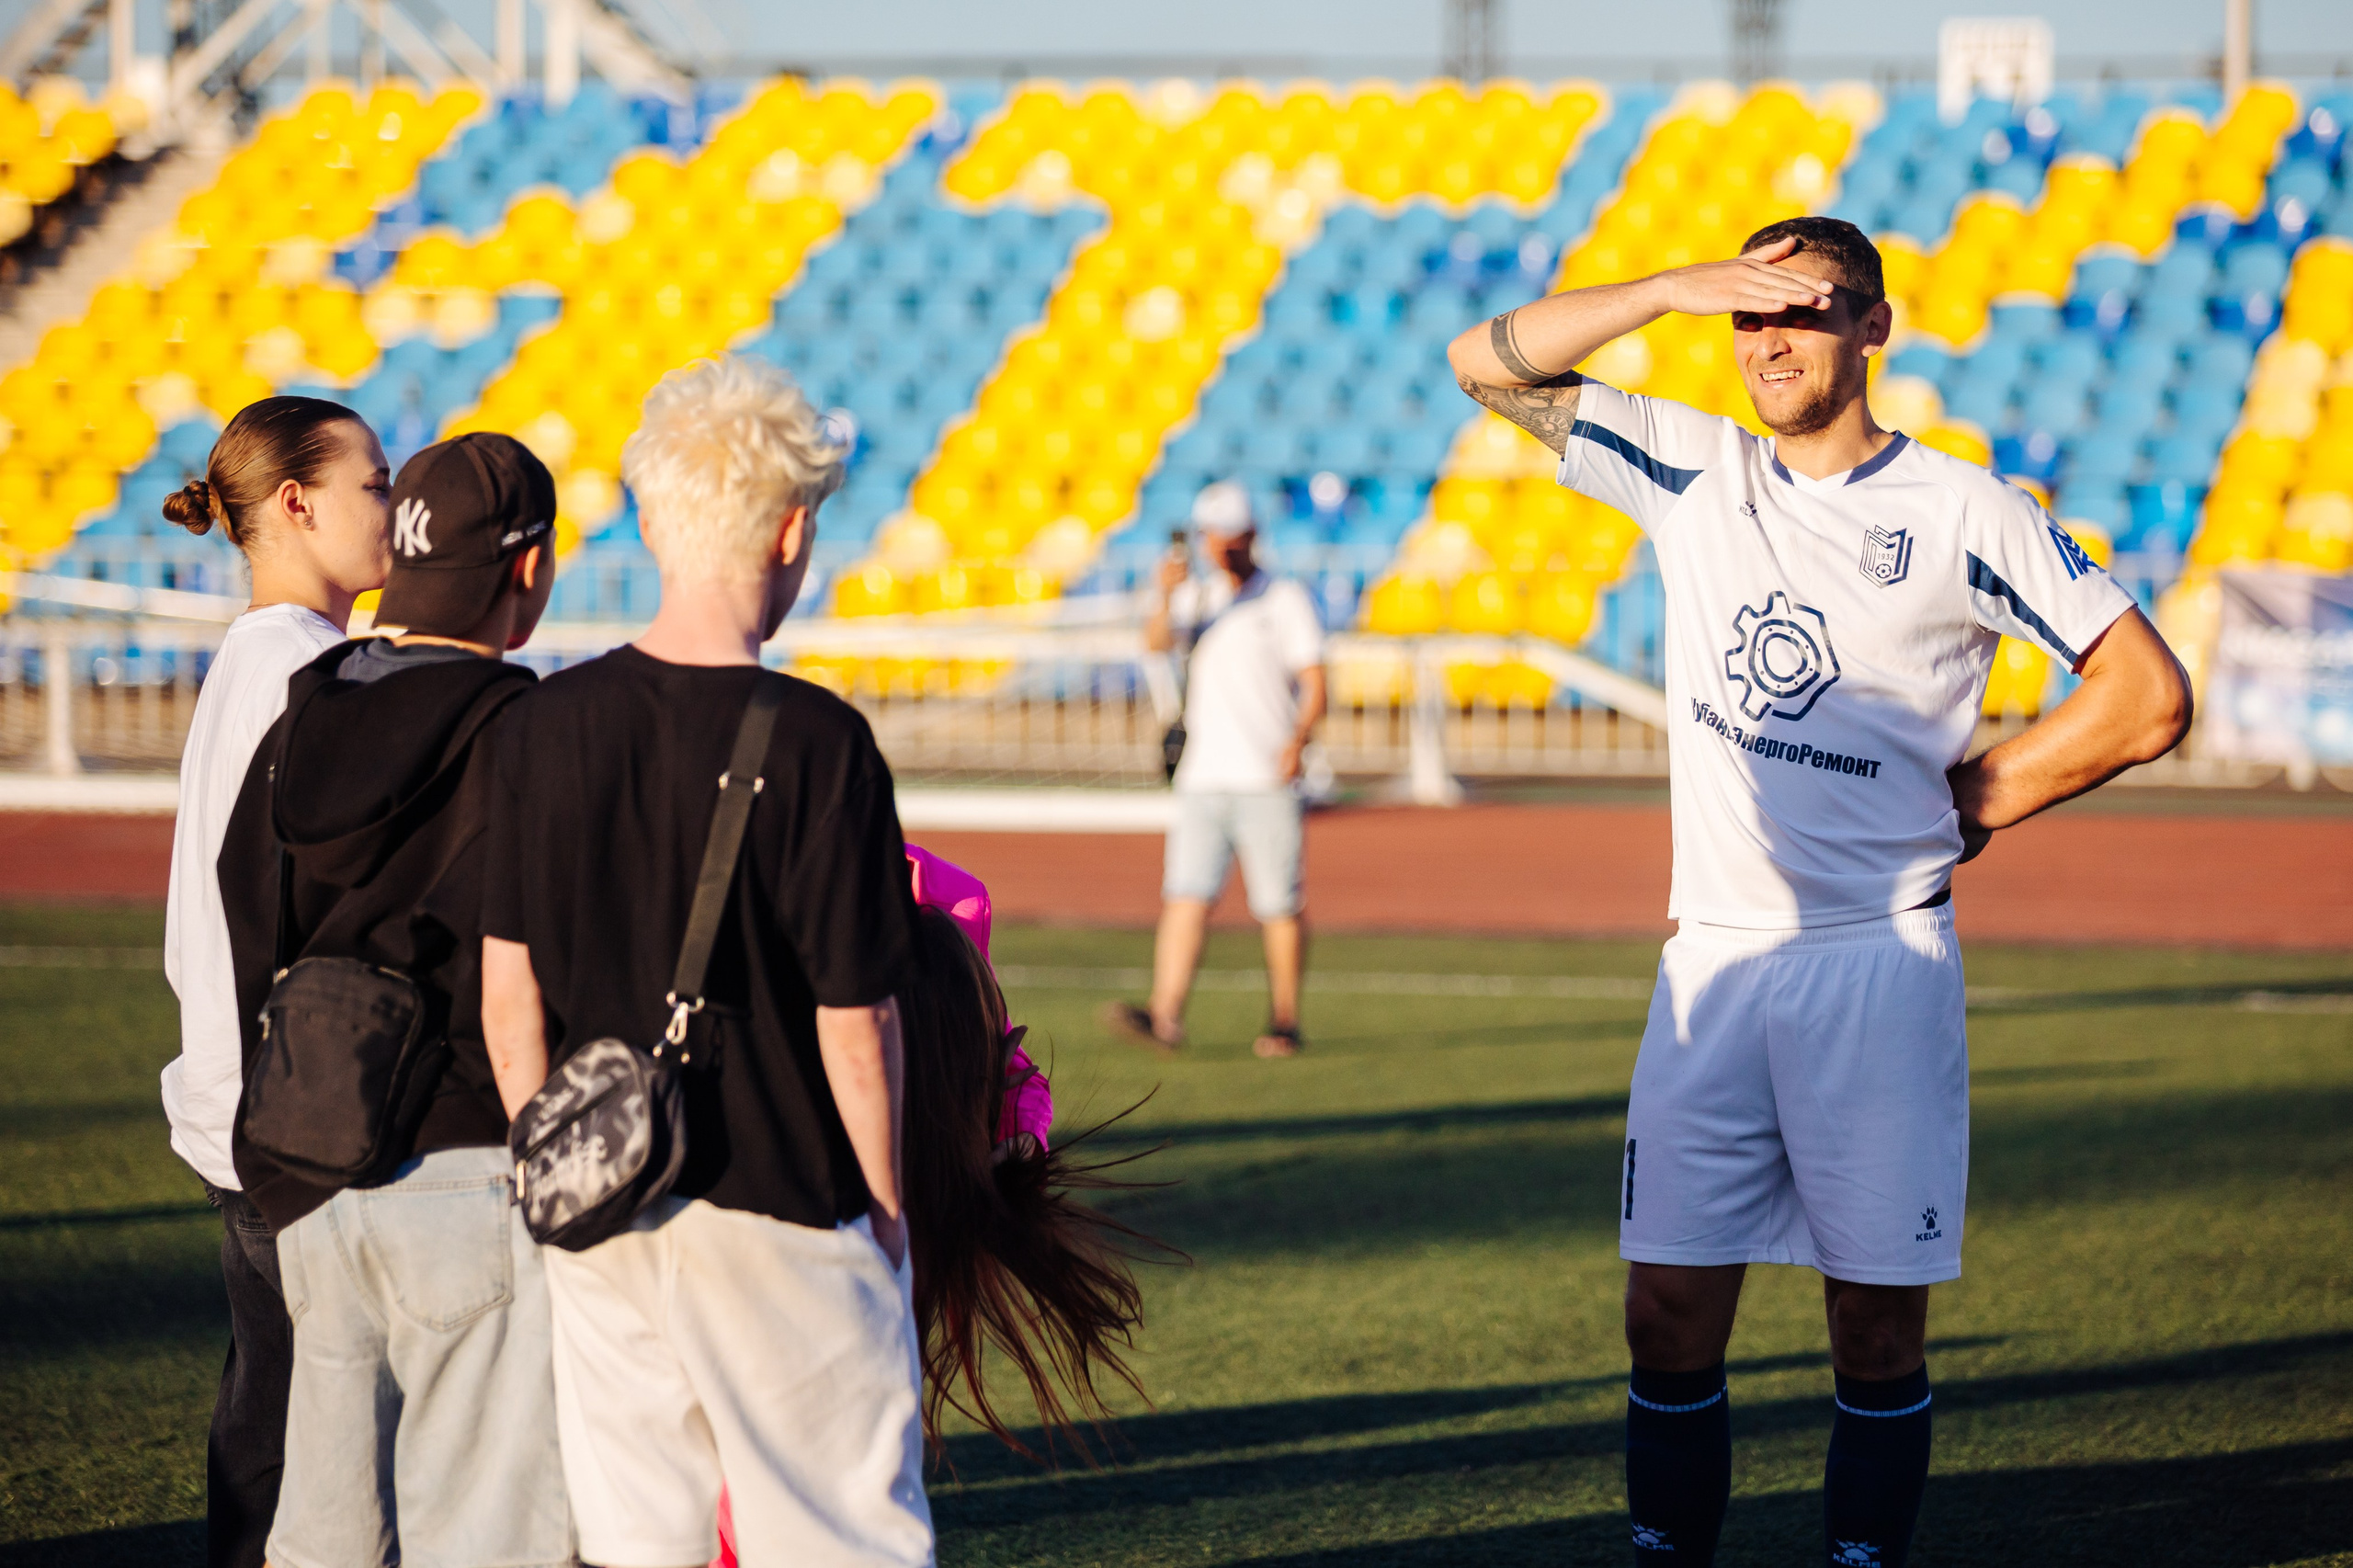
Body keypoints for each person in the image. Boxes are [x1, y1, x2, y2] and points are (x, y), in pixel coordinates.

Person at [1447, 216, 2192, 1567]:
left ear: (1875, 327)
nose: (1771, 337)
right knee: (1666, 1315)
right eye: (1751, 311)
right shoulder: (1691, 465)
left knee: (1875, 1328)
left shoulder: (1965, 509)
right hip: (1713, 967)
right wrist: (1672, 288)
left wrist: (1979, 801)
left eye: (1808, 306)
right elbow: (1482, 364)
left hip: (1875, 963)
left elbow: (2146, 695)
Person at [478, 355, 931, 1568]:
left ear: (648, 515)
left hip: (601, 1203)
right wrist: (890, 1211)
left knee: (641, 1545)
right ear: (790, 532)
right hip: (783, 1195)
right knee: (840, 1535)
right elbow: (855, 1021)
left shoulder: (537, 725)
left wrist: (553, 1153)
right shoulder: (825, 742)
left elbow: (510, 1001)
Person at [214, 433, 571, 1568]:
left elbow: (243, 912)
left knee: (324, 1543)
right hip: (474, 1168)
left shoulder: (304, 704)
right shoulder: (527, 731)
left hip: (314, 1167)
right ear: (525, 572)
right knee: (491, 1540)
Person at [155, 395, 391, 1568]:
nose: (394, 509)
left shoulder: (260, 659)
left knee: (269, 1422)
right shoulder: (310, 671)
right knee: (332, 1448)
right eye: (375, 483)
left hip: (237, 1103)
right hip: (288, 1122)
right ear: (296, 503)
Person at [1106, 481, 1328, 1059]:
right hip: (1204, 776)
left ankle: (1284, 1019)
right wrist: (1164, 594)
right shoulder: (1196, 599)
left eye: (1228, 537)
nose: (1220, 548)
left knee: (1278, 903)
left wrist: (1298, 741)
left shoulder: (1284, 599)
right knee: (1185, 896)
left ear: (1250, 536)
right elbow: (1154, 644)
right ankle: (1166, 1014)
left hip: (1265, 776)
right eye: (1213, 537)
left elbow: (1315, 681)